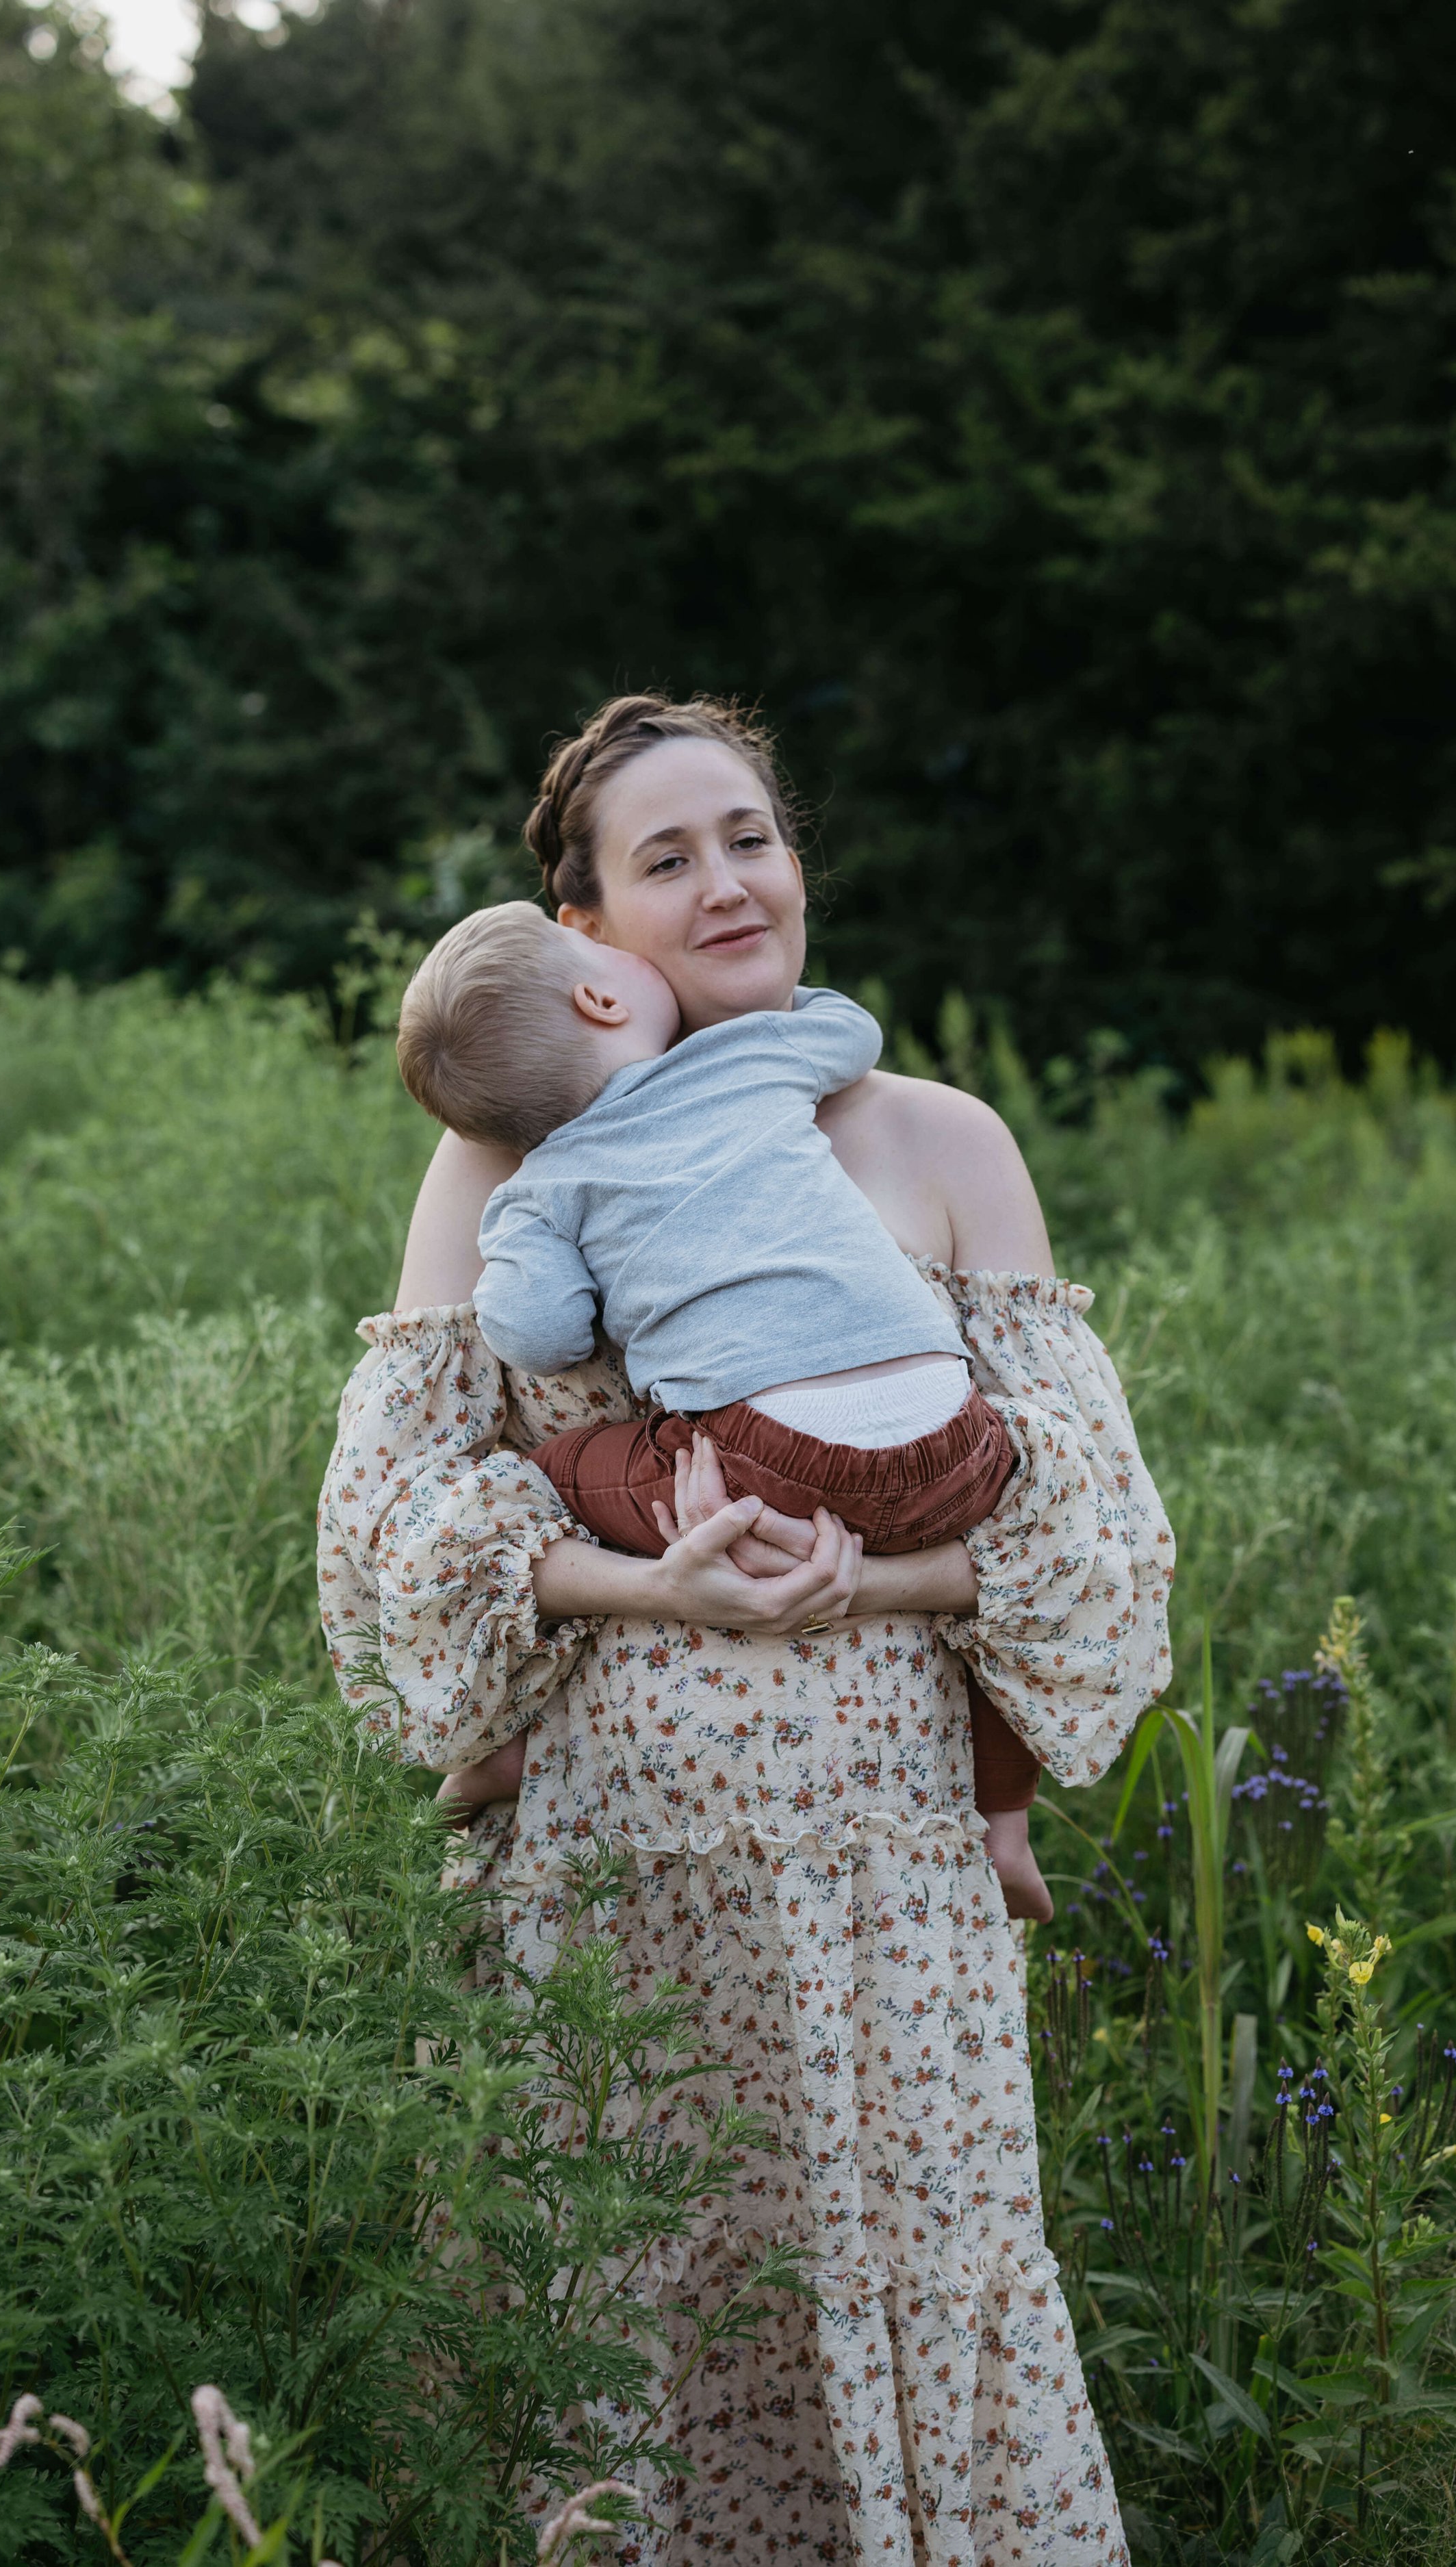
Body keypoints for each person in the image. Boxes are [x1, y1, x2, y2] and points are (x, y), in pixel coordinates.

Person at [317, 692, 1175, 2567]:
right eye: (666, 855)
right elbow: (389, 1526)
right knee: (627, 2291)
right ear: (587, 934)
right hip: (617, 1871)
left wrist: (861, 1581)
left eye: (750, 835)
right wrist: (652, 1581)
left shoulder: (934, 1136)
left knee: (896, 2274)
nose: (726, 880)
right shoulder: (506, 1160)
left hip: (885, 1877)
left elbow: (1090, 1532)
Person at [390, 902, 1046, 1905]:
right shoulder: (745, 1065)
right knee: (1002, 1592)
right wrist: (785, 1027)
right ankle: (1005, 1825)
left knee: (547, 1478)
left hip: (767, 1463)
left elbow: (541, 1334)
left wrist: (541, 1242)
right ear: (603, 990)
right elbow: (851, 1034)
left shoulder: (543, 1181)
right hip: (957, 1439)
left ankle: (499, 1739)